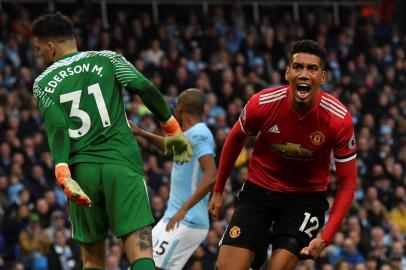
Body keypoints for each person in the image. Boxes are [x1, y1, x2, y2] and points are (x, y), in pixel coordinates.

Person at [31, 12, 193, 270]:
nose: (38, 55)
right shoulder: (108, 59)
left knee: (92, 260)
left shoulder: (42, 84)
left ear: (50, 48)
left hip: (81, 174)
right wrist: (171, 128)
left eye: (38, 49)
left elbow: (58, 128)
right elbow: (144, 87)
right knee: (141, 253)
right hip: (122, 165)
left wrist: (62, 169)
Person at [209, 40, 357, 270]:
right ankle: (256, 249)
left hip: (306, 198)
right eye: (298, 67)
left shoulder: (338, 119)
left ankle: (260, 250)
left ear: (323, 77)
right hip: (259, 191)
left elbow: (347, 183)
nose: (304, 74)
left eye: (312, 68)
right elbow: (235, 138)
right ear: (287, 73)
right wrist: (218, 190)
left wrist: (326, 236)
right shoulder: (262, 103)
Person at [130, 88, 217, 270]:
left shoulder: (201, 134)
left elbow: (211, 175)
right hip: (171, 217)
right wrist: (141, 133)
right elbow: (170, 147)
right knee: (139, 261)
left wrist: (184, 209)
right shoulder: (189, 134)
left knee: (154, 267)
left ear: (181, 107)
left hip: (187, 220)